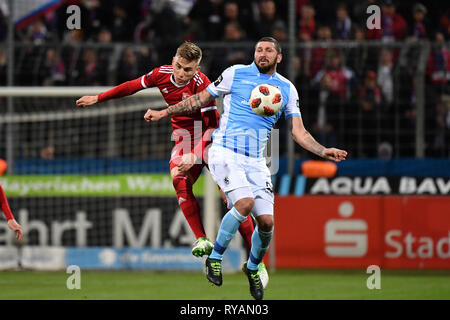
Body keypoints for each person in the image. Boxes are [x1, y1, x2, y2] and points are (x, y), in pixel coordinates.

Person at [144, 37, 347, 300]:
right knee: (244, 203)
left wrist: (322, 150)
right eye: (259, 50)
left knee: (267, 222)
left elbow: (299, 132)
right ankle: (215, 258)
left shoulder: (287, 89)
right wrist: (163, 113)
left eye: (268, 51)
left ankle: (252, 267)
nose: (262, 54)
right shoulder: (234, 73)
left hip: (256, 161)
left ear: (279, 57)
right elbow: (199, 100)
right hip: (225, 150)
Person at [75, 42, 268, 284]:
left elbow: (212, 126)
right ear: (173, 60)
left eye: (188, 70)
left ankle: (256, 264)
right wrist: (98, 97)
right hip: (183, 139)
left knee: (235, 202)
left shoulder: (204, 85)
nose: (181, 73)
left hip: (212, 141)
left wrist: (195, 155)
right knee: (178, 176)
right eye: (179, 66)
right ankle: (201, 239)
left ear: (196, 69)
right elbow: (131, 86)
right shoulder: (161, 74)